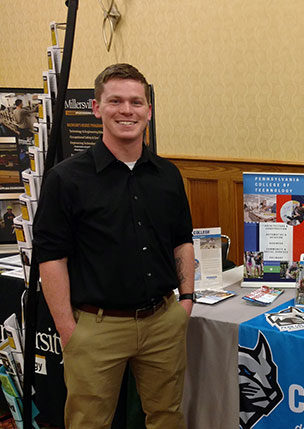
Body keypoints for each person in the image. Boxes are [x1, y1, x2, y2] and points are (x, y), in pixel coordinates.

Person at [33, 63, 195, 429]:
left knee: (167, 417)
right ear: (96, 108)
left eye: (137, 102)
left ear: (148, 111)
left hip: (163, 322)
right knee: (89, 423)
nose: (127, 110)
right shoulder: (67, 179)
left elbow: (182, 240)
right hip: (96, 328)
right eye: (116, 101)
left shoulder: (167, 174)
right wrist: (68, 330)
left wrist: (186, 301)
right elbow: (51, 258)